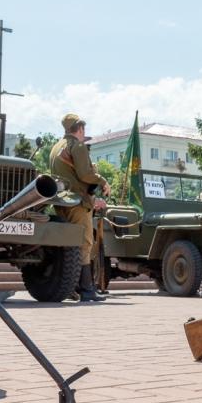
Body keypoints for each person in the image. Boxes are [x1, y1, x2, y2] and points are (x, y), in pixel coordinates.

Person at [50, 113, 111, 302]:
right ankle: (86, 290)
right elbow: (85, 174)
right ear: (80, 128)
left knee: (69, 246)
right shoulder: (77, 146)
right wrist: (102, 181)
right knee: (84, 244)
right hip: (77, 202)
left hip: (61, 202)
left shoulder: (55, 147)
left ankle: (71, 288)